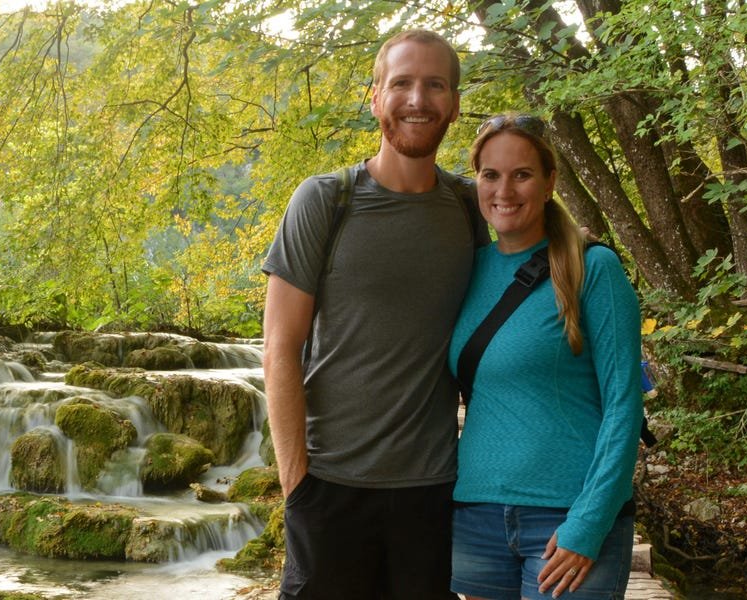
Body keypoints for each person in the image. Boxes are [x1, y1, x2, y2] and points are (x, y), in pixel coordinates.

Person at [261, 29, 485, 600]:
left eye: (435, 85)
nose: (418, 99)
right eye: (402, 83)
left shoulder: (471, 207)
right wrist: (297, 485)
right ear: (376, 98)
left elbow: (541, 243)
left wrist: (584, 248)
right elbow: (280, 347)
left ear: (455, 104)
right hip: (329, 489)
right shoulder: (324, 201)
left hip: (434, 493)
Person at [449, 114, 644, 600]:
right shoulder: (466, 270)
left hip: (567, 514)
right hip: (476, 515)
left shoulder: (592, 268)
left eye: (522, 174)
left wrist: (589, 523)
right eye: (490, 175)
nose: (504, 190)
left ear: (550, 181)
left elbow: (624, 405)